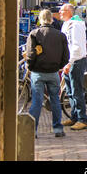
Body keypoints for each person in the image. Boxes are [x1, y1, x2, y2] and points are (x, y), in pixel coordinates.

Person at [25, 9, 69, 138]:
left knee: (37, 101)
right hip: (53, 72)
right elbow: (66, 56)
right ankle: (57, 129)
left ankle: (33, 130)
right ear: (51, 19)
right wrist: (58, 66)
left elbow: (30, 54)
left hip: (38, 72)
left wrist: (30, 66)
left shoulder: (34, 34)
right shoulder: (60, 35)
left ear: (40, 19)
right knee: (55, 100)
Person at [59, 4, 87, 130]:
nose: (59, 12)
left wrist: (70, 62)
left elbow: (76, 46)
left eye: (62, 10)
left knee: (76, 91)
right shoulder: (67, 24)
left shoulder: (75, 26)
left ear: (69, 12)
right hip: (69, 62)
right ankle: (74, 117)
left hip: (76, 61)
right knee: (70, 92)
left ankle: (82, 119)